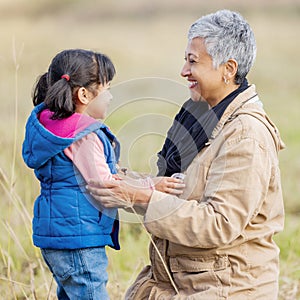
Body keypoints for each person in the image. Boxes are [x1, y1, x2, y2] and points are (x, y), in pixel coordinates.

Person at [87, 9, 285, 299]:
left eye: (193, 61)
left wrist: (140, 196)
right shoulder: (200, 116)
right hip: (179, 281)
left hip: (225, 289)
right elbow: (174, 190)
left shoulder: (246, 134)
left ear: (228, 69)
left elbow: (219, 224)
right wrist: (116, 179)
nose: (183, 71)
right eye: (185, 60)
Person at [22, 49, 183, 300]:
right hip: (80, 240)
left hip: (56, 236)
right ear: (84, 94)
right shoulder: (84, 135)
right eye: (106, 87)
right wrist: (152, 190)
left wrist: (149, 181)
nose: (110, 95)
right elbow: (105, 184)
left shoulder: (49, 126)